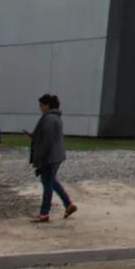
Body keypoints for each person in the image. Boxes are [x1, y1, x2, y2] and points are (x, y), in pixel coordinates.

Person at [26, 94, 77, 223]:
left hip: (50, 156)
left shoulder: (48, 118)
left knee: (47, 184)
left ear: (47, 106)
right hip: (56, 155)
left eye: (41, 105)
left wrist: (40, 155)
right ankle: (68, 204)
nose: (40, 108)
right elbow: (50, 136)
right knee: (51, 181)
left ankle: (44, 213)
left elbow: (48, 139)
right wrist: (36, 136)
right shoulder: (56, 117)